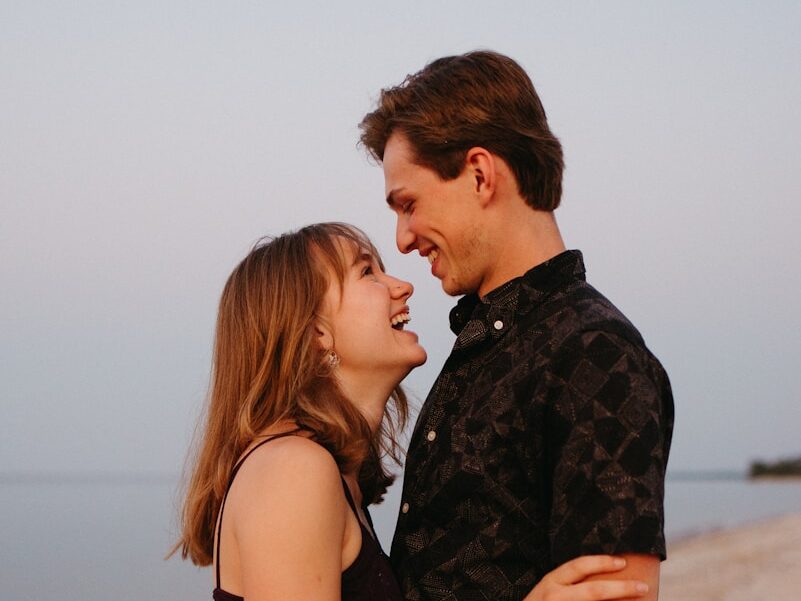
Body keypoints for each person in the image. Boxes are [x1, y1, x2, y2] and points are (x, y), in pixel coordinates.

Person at [173, 222, 652, 600]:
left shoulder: (326, 476)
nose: (402, 285)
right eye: (367, 273)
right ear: (317, 334)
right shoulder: (293, 472)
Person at [359, 51, 674, 601]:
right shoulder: (488, 345)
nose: (403, 239)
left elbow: (617, 593)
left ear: (480, 175)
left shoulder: (592, 354)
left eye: (408, 204)